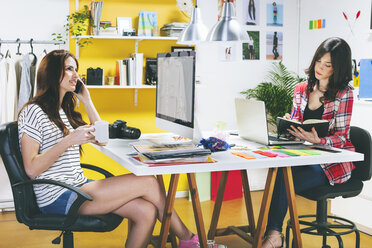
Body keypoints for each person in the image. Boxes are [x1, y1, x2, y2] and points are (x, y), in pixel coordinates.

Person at [17, 50, 226, 248]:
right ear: (53, 73)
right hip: (58, 195)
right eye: (69, 69)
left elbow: (103, 139)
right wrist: (69, 140)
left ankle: (189, 241)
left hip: (77, 187)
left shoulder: (63, 110)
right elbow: (32, 169)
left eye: (76, 69)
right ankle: (190, 240)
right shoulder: (34, 111)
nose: (76, 75)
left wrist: (87, 100)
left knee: (146, 211)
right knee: (148, 182)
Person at [262, 37, 354, 248]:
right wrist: (289, 127)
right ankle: (274, 235)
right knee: (280, 172)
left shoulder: (344, 94)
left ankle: (274, 236)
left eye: (327, 65)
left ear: (338, 68)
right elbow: (295, 130)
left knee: (285, 179)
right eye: (319, 61)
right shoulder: (302, 88)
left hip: (331, 163)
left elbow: (342, 137)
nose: (320, 68)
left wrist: (319, 140)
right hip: (303, 155)